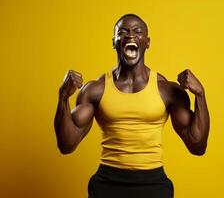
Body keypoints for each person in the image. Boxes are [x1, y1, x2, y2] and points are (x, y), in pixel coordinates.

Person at [54, 14, 210, 198]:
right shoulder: (96, 89)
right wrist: (63, 96)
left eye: (137, 31)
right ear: (114, 42)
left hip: (153, 184)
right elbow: (67, 144)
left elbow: (197, 146)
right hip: (107, 184)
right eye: (123, 32)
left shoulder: (166, 90)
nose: (130, 35)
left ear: (147, 42)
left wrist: (200, 94)